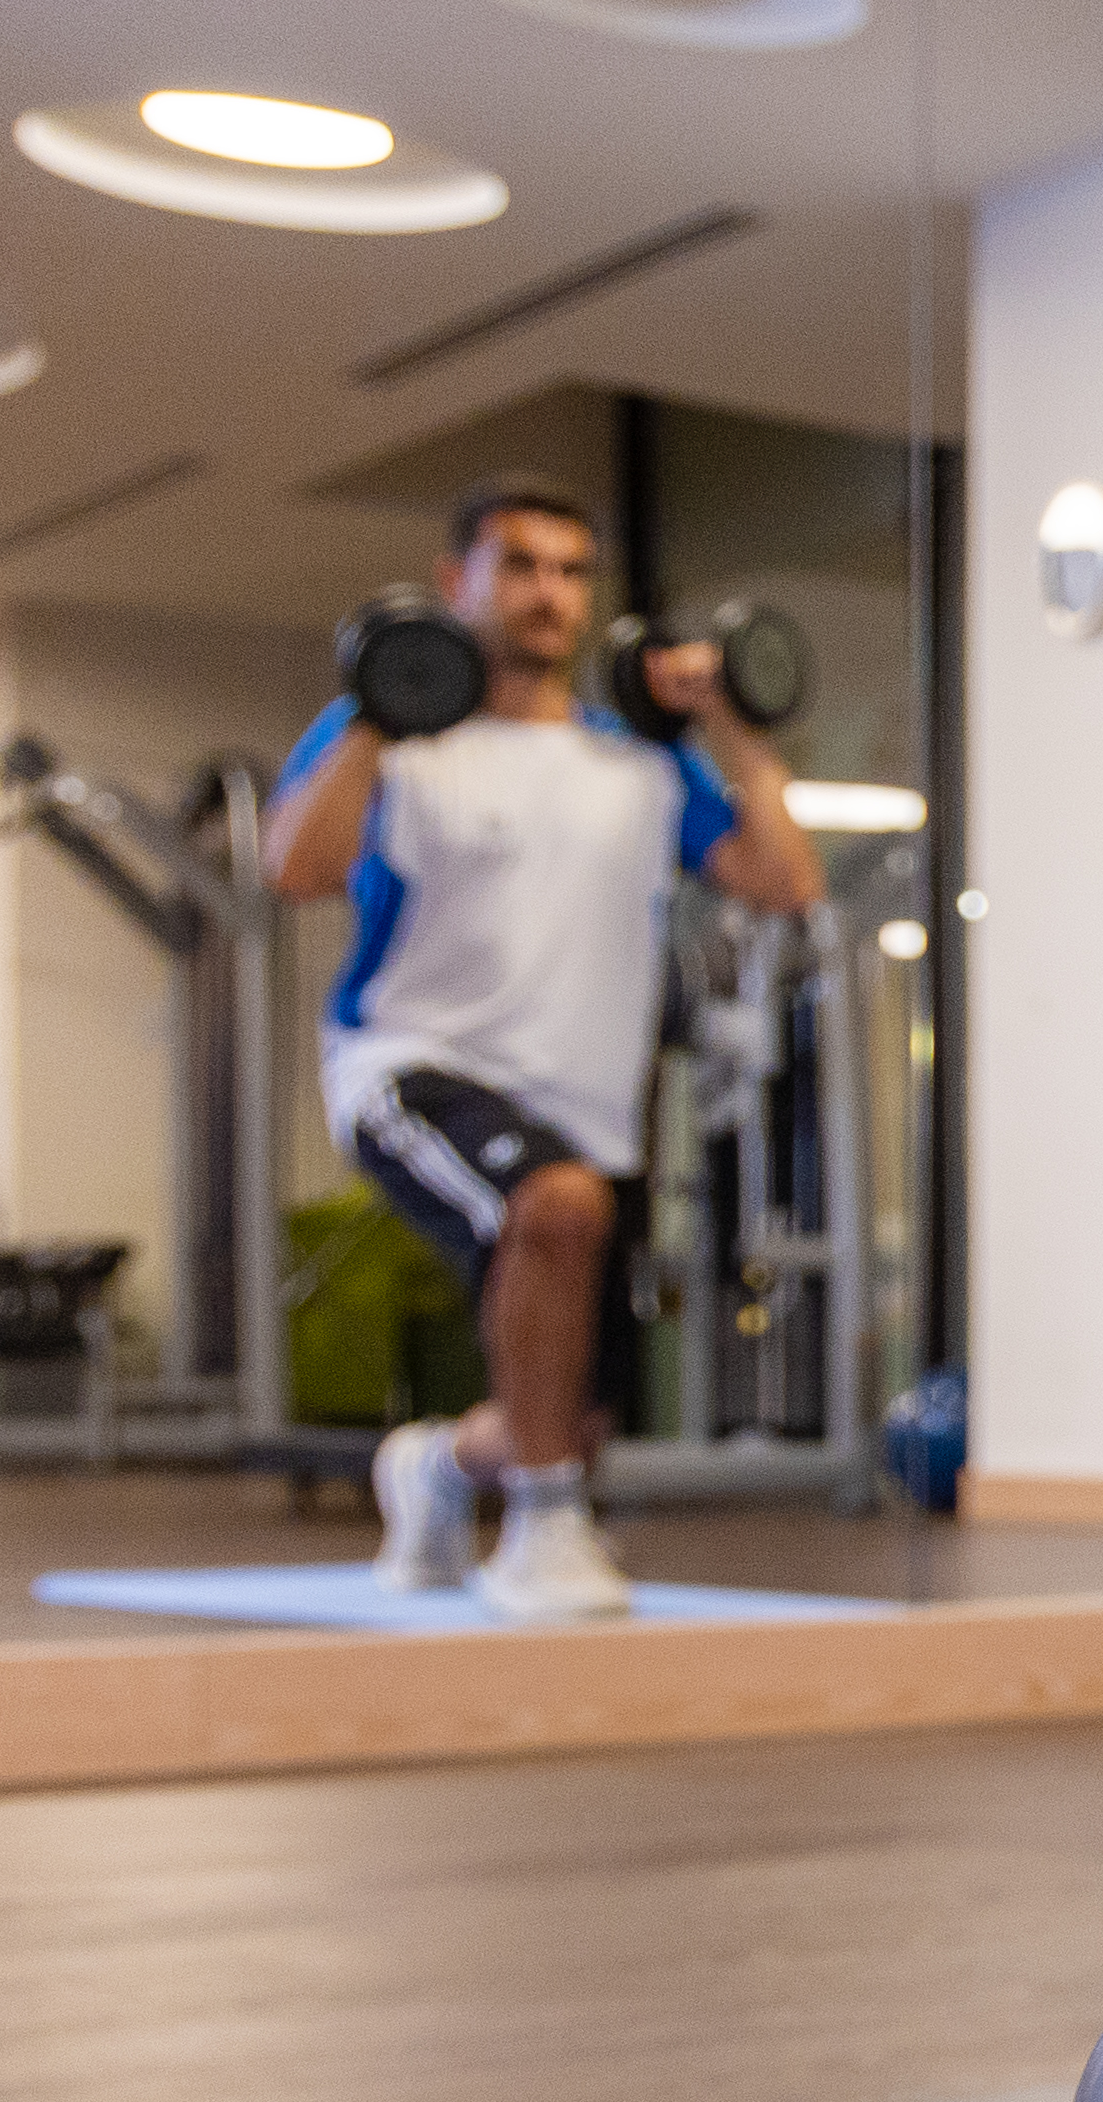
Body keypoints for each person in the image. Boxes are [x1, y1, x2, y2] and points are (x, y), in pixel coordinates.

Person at [265, 476, 823, 1623]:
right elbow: (296, 869)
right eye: (519, 565)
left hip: (588, 1105)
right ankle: (544, 1530)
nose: (548, 594)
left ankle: (434, 1469)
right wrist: (378, 707)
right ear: (456, 581)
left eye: (571, 571)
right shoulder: (399, 740)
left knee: (569, 1417)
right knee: (556, 1207)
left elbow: (784, 883)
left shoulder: (641, 761)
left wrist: (727, 722)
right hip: (410, 1065)